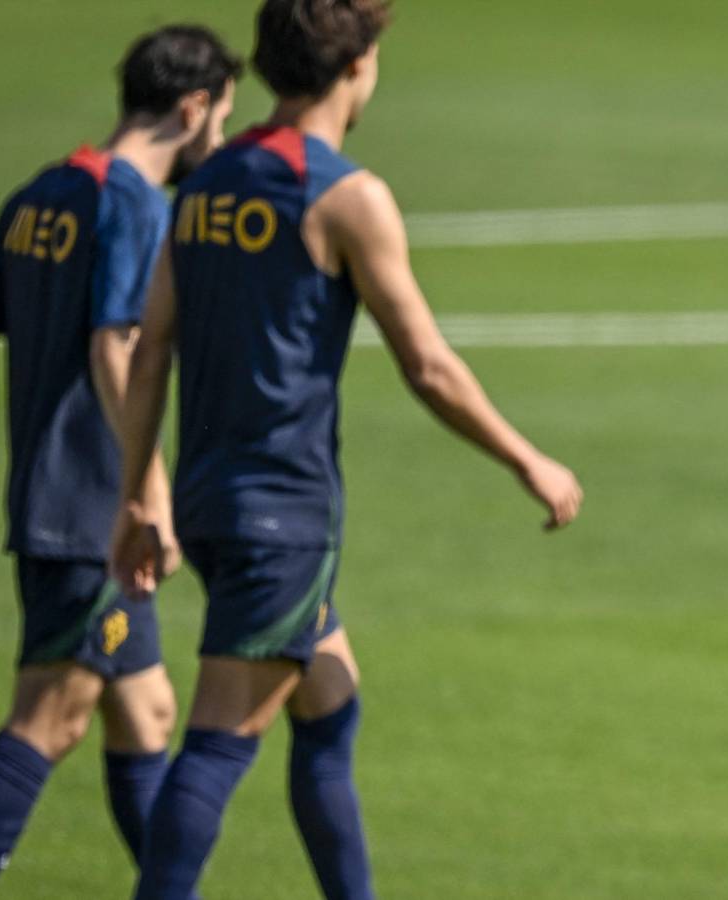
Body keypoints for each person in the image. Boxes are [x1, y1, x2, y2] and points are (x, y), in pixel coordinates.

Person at [111, 2, 584, 897]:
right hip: (279, 513)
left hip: (213, 501)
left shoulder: (206, 183)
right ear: (357, 66)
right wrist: (532, 461)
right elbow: (429, 368)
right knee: (219, 741)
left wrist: (139, 498)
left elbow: (151, 351)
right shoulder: (344, 195)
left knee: (329, 698)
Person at [0, 26, 240, 898]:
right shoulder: (134, 205)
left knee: (145, 714)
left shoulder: (39, 196)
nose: (219, 139)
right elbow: (117, 348)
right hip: (90, 514)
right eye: (221, 118)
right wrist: (149, 497)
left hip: (53, 499)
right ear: (192, 109)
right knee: (49, 718)